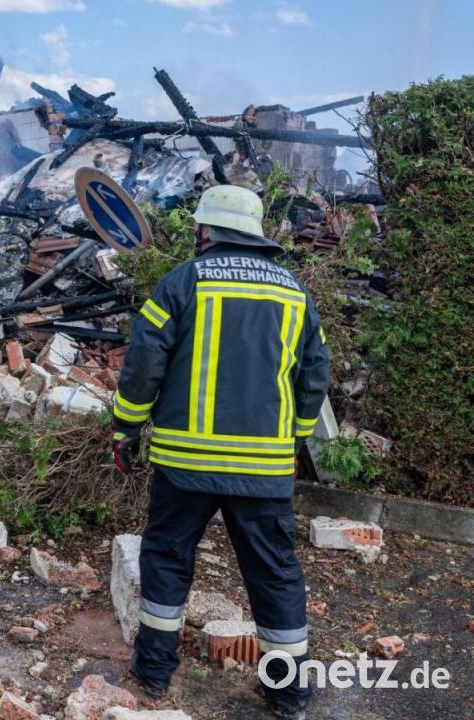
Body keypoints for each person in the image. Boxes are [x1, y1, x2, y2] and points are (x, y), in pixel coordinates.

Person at [110, 184, 330, 720]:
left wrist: (126, 428)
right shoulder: (294, 292)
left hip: (185, 466)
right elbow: (314, 374)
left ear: (206, 229)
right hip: (263, 471)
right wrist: (295, 436)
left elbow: (144, 362)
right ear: (254, 233)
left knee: (166, 558)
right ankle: (289, 693)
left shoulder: (184, 282)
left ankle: (155, 673)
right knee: (275, 573)